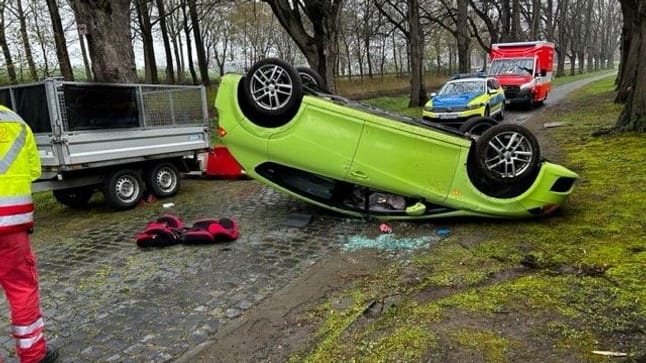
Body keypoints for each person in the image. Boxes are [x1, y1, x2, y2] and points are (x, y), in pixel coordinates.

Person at [0, 105, 58, 363]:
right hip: (12, 224)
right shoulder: (14, 120)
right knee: (21, 289)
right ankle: (34, 356)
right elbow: (34, 171)